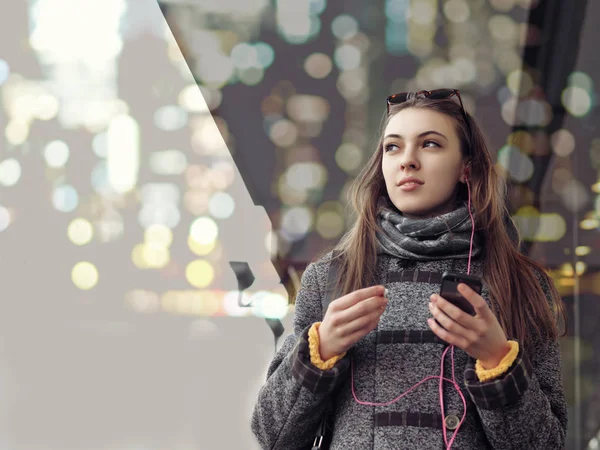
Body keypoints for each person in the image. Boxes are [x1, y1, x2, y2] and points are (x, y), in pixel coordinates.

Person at [250, 89, 568, 449]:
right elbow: (272, 437)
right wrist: (319, 352)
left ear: (467, 168)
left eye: (430, 144)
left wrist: (497, 360)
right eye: (393, 147)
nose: (407, 161)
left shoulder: (520, 282)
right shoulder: (332, 276)